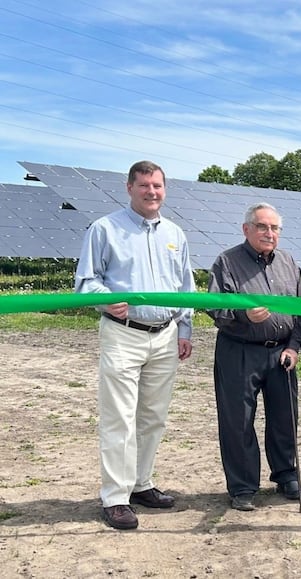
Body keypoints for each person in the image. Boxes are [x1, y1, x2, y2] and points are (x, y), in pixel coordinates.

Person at [75, 160, 195, 530]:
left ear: (164, 189)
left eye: (157, 186)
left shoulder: (175, 234)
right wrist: (104, 299)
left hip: (164, 335)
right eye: (144, 185)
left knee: (153, 417)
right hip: (123, 333)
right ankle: (115, 497)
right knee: (120, 417)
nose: (151, 192)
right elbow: (86, 282)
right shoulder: (105, 229)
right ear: (129, 188)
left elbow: (185, 288)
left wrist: (185, 330)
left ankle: (142, 484)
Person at [206, 202, 301, 512]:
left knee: (284, 418)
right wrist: (243, 315)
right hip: (239, 351)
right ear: (247, 229)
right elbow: (215, 307)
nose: (269, 233)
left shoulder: (289, 262)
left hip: (281, 351)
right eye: (262, 227)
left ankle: (286, 475)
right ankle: (243, 486)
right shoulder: (227, 262)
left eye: (274, 228)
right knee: (238, 421)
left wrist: (293, 346)